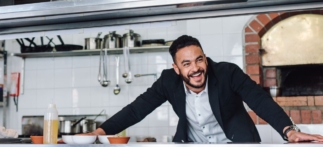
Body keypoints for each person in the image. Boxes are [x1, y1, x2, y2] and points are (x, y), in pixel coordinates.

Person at [89, 35, 323, 143]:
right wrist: (99, 133)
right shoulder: (167, 81)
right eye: (187, 64)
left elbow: (259, 100)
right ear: (176, 68)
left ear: (205, 59)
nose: (196, 68)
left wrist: (289, 131)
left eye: (199, 60)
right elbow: (136, 110)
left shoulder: (227, 73)